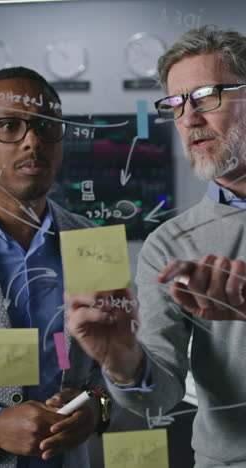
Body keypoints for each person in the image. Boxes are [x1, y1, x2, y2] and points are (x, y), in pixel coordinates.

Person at [65, 26, 246, 468]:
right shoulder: (169, 245)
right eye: (176, 104)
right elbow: (160, 393)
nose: (189, 119)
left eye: (205, 96)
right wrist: (124, 361)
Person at [0, 66, 114, 468]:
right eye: (8, 125)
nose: (32, 142)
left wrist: (95, 409)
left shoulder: (93, 241)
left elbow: (114, 367)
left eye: (46, 126)